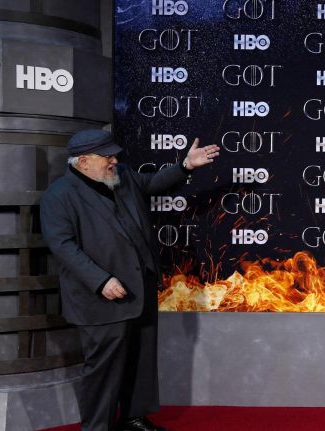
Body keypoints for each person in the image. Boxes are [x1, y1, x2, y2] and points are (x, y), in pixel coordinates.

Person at [40, 129, 219, 431]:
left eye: (114, 154)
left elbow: (150, 184)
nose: (114, 159)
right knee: (104, 369)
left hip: (141, 289)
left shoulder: (120, 175)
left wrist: (184, 166)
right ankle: (98, 427)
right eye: (107, 155)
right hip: (102, 297)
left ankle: (134, 417)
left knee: (141, 359)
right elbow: (63, 246)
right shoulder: (59, 196)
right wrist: (101, 281)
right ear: (83, 161)